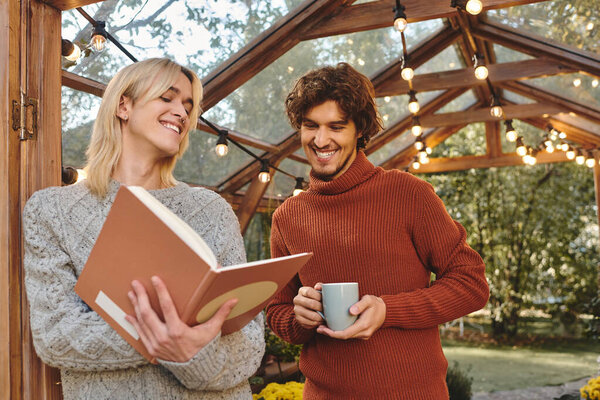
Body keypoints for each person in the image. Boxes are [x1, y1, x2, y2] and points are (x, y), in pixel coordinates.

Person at [23, 58, 264, 400]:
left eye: (187, 105)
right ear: (124, 105)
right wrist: (174, 340)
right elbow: (57, 337)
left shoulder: (212, 210)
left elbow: (250, 345)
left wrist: (192, 354)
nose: (181, 112)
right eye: (167, 98)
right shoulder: (53, 211)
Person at [265, 62, 489, 399]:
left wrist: (388, 310)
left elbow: (471, 284)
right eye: (310, 126)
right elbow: (278, 312)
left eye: (336, 126)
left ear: (359, 129)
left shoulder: (408, 193)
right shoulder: (288, 216)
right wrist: (300, 317)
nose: (320, 139)